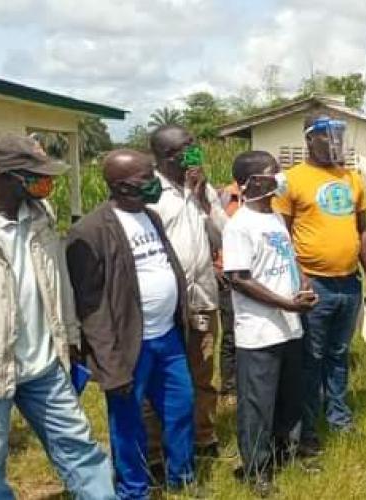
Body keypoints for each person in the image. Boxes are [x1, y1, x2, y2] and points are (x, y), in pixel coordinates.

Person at [0, 134, 116, 500]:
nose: (47, 182)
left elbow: (56, 281)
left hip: (44, 365)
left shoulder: (41, 215)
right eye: (35, 174)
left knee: (82, 452)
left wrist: (71, 339)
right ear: (4, 175)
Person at [67, 149, 198, 499]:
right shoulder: (89, 231)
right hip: (129, 346)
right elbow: (90, 307)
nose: (155, 182)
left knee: (181, 408)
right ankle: (134, 490)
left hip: (167, 338)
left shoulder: (151, 217)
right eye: (147, 178)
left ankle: (182, 479)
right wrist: (110, 364)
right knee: (127, 423)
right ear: (122, 186)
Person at [272, 112, 366, 456]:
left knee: (338, 355)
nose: (335, 141)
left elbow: (362, 231)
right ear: (309, 139)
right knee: (311, 357)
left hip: (348, 284)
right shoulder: (290, 180)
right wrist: (299, 278)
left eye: (339, 134)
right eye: (327, 135)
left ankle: (339, 418)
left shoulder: (352, 178)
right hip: (313, 284)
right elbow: (282, 236)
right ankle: (307, 428)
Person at [223, 151, 318, 496]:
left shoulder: (275, 218)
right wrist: (286, 303)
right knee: (257, 405)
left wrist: (303, 285)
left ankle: (287, 454)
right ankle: (256, 470)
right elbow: (239, 278)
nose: (280, 177)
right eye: (272, 173)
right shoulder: (239, 225)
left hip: (289, 325)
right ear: (253, 182)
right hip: (259, 331)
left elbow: (288, 260)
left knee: (288, 398)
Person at [147, 125, 228, 458]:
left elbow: (225, 235)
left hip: (203, 299)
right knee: (160, 379)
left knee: (203, 373)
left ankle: (202, 437)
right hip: (166, 306)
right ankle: (154, 449)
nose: (195, 151)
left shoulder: (201, 190)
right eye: (187, 147)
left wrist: (202, 197)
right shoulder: (150, 192)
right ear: (169, 155)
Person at [215, 181, 243, 397]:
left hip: (255, 276)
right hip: (227, 275)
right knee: (231, 333)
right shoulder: (223, 198)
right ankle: (230, 386)